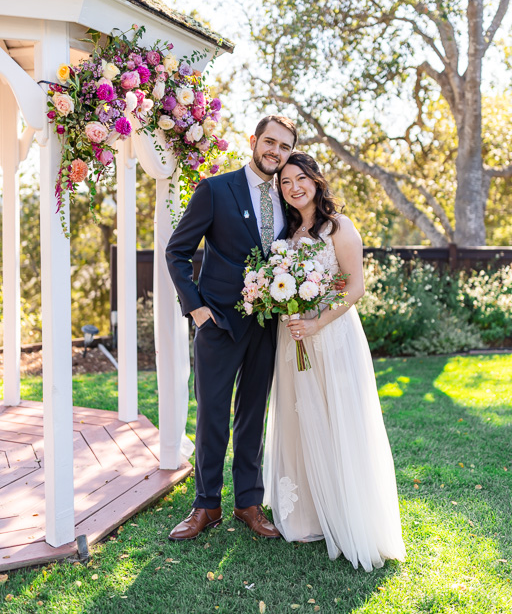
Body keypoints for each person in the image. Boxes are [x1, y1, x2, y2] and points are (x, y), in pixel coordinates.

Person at [263, 152, 406, 570]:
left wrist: (316, 324)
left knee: (338, 417)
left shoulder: (338, 227)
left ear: (315, 179)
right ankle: (306, 513)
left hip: (332, 335)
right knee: (299, 417)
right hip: (293, 339)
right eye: (285, 182)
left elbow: (355, 286)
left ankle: (347, 513)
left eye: (300, 179)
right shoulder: (286, 232)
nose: (294, 187)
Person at [166, 115, 297, 540]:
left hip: (266, 328)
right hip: (218, 324)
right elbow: (177, 251)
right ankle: (206, 506)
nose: (275, 151)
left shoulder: (290, 200)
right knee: (212, 418)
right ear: (254, 141)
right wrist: (197, 310)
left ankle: (248, 504)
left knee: (253, 416)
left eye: (284, 147)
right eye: (270, 142)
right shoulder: (215, 189)